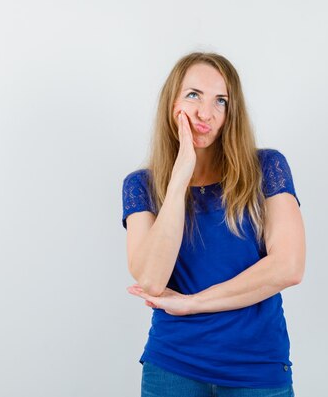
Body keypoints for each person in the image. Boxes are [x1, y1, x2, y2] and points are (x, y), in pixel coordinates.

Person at [121, 52, 306, 397]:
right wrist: (180, 175)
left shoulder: (267, 168)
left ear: (230, 114)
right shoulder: (141, 185)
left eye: (220, 101)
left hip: (257, 369)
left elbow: (289, 267)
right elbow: (150, 278)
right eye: (193, 95)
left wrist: (193, 303)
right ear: (172, 103)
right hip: (172, 368)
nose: (206, 113)